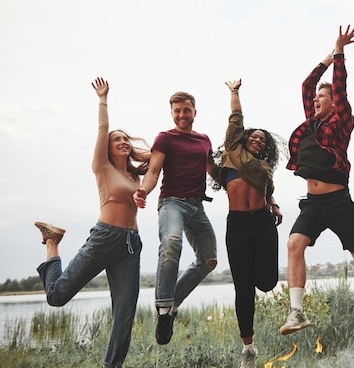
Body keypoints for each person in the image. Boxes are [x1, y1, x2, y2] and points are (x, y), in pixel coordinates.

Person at [280, 25, 354, 341]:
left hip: (339, 203)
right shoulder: (311, 123)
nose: (317, 100)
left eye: (323, 96)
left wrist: (340, 52)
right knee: (294, 243)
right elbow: (307, 84)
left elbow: (341, 87)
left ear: (334, 103)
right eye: (316, 98)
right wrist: (327, 57)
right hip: (313, 204)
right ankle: (297, 311)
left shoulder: (342, 120)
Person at [35, 77, 150, 368]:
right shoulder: (101, 166)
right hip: (105, 237)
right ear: (108, 149)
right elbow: (102, 130)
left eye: (125, 138)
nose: (122, 141)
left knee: (125, 313)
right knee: (57, 297)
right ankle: (52, 242)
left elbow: (160, 158)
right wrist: (103, 99)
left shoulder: (135, 176)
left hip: (130, 245)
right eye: (116, 140)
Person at [133, 90, 218, 345]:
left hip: (197, 208)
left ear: (194, 111)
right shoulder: (165, 138)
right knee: (171, 243)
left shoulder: (204, 140)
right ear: (172, 114)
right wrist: (143, 191)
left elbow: (214, 172)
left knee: (209, 260)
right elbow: (154, 170)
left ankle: (171, 305)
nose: (182, 115)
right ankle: (163, 309)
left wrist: (239, 182)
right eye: (177, 111)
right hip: (172, 204)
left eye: (186, 110)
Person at [211, 78, 283, 368]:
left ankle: (252, 274)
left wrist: (273, 204)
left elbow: (267, 191)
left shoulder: (265, 168)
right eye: (253, 136)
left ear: (265, 149)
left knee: (267, 283)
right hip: (238, 225)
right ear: (243, 138)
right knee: (243, 288)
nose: (257, 140)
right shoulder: (232, 151)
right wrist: (234, 92)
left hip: (263, 224)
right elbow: (236, 118)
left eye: (262, 140)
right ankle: (249, 348)